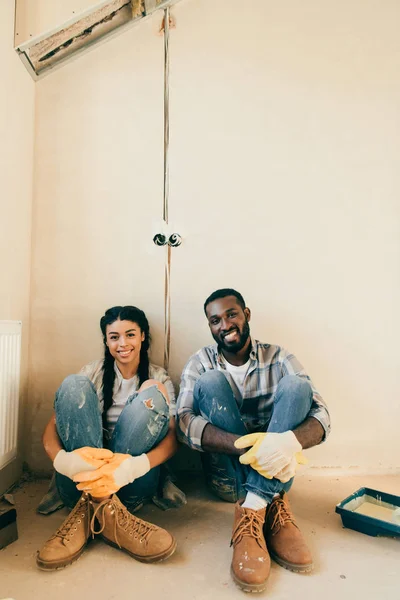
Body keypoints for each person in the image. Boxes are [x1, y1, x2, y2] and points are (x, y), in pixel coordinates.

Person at [176, 289, 331, 593]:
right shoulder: (201, 361)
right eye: (215, 320)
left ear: (246, 314)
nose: (225, 325)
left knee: (297, 386)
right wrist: (252, 446)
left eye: (231, 314)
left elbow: (323, 416)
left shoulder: (279, 356)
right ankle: (266, 500)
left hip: (278, 471)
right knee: (210, 383)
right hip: (227, 477)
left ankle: (255, 505)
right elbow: (183, 423)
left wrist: (285, 443)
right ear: (210, 326)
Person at [37, 305, 180, 570]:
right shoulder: (92, 371)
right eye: (114, 337)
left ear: (143, 337)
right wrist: (62, 462)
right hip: (80, 483)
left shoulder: (158, 375)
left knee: (153, 391)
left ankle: (92, 513)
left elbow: (173, 438)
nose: (122, 343)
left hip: (130, 482)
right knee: (73, 384)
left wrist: (135, 467)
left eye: (130, 334)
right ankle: (104, 511)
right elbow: (51, 429)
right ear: (106, 340)